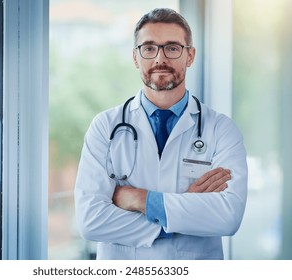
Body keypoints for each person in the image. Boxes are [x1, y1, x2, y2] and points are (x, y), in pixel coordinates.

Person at [74, 8, 247, 260]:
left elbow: (228, 216)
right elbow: (90, 221)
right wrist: (182, 213)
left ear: (190, 56)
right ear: (136, 57)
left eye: (172, 48)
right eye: (149, 48)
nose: (159, 58)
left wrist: (139, 200)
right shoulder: (105, 127)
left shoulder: (221, 130)